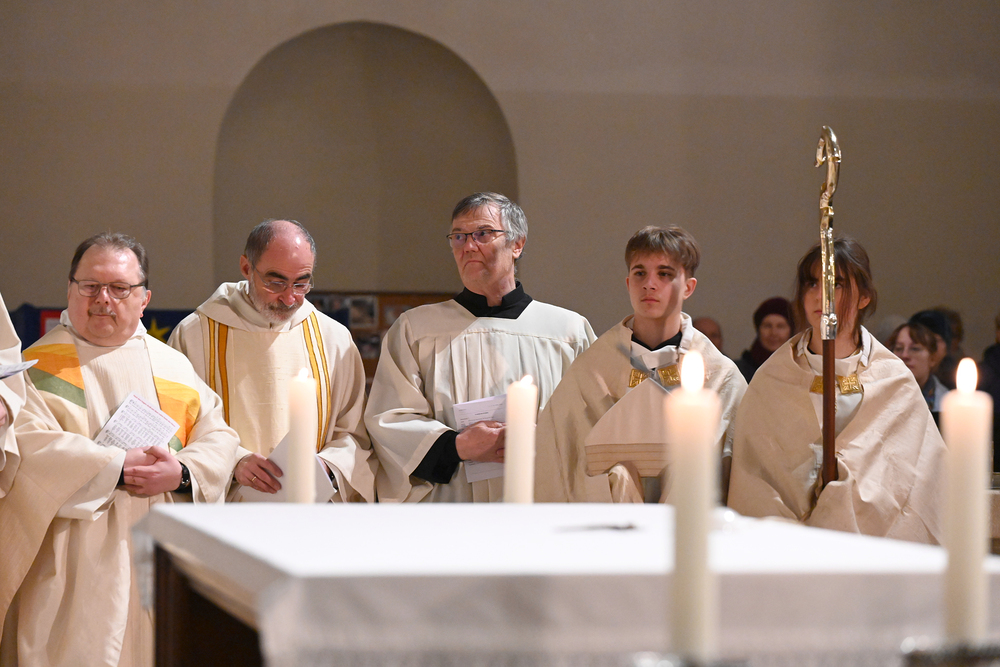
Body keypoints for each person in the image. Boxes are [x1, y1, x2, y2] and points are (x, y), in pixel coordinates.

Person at [0, 233, 239, 667]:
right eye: (89, 286)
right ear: (70, 290)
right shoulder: (34, 369)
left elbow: (219, 435)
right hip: (72, 565)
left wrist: (183, 472)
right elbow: (29, 450)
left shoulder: (172, 367)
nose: (102, 299)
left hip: (161, 556)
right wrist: (116, 467)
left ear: (144, 298)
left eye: (119, 288)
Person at [365, 192, 596, 502]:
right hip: (452, 509)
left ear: (517, 244)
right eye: (459, 237)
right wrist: (458, 446)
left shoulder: (567, 332)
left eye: (483, 234)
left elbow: (595, 422)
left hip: (542, 503)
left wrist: (543, 438)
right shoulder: (416, 330)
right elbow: (389, 420)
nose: (468, 246)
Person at [728, 237, 944, 544]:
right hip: (786, 552)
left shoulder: (894, 382)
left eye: (837, 284)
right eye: (812, 283)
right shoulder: (772, 380)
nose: (821, 295)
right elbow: (754, 485)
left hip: (873, 553)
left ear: (864, 297)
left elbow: (916, 485)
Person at [534, 226, 746, 503]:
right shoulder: (593, 367)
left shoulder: (719, 374)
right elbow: (558, 458)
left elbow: (738, 473)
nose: (649, 284)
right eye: (640, 273)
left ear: (688, 287)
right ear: (628, 283)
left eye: (664, 274)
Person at [169, 219, 376, 502]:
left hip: (312, 509)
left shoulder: (334, 339)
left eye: (301, 283)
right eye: (276, 282)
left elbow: (355, 433)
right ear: (246, 268)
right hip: (229, 508)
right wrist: (234, 460)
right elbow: (177, 430)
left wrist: (327, 466)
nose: (289, 298)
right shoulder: (195, 334)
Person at [887, 321, 946, 425]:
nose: (905, 355)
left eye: (915, 349)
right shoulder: (879, 395)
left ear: (932, 358)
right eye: (899, 348)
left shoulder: (946, 404)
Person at [734, 297, 793, 382]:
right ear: (758, 330)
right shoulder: (739, 372)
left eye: (780, 326)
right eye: (767, 326)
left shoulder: (803, 370)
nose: (773, 333)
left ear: (791, 330)